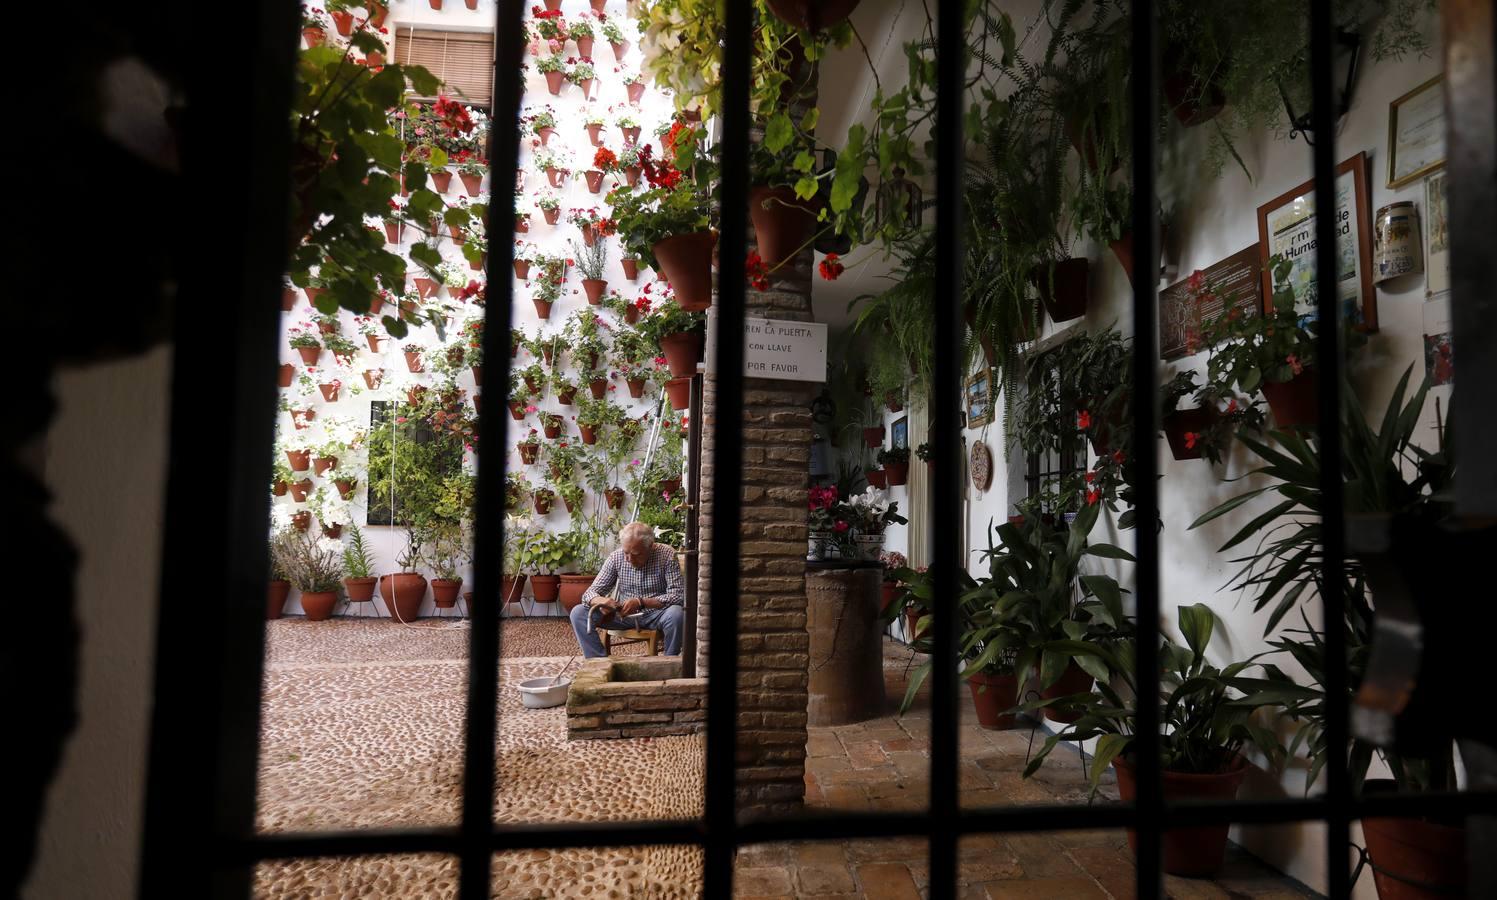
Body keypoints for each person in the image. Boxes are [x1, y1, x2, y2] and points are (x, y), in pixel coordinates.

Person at [569, 522, 685, 658]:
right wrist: (602, 601)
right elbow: (588, 594)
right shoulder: (616, 557)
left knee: (677, 614)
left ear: (651, 546)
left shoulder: (666, 555)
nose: (629, 559)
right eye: (626, 552)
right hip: (623, 615)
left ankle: (669, 664)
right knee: (578, 613)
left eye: (636, 554)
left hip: (657, 614)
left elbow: (678, 596)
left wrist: (641, 602)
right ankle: (598, 662)